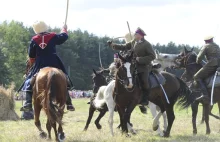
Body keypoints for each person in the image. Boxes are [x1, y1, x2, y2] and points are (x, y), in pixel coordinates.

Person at [20, 21, 75, 111]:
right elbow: (64, 37)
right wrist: (64, 29)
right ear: (46, 27)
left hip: (40, 63)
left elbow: (31, 55)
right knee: (64, 78)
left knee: (29, 81)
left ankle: (28, 103)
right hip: (54, 61)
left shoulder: (34, 39)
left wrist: (33, 59)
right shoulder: (53, 36)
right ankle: (69, 103)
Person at [108, 27, 156, 106]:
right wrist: (113, 45)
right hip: (133, 65)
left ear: (140, 35)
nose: (134, 35)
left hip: (144, 66)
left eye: (136, 34)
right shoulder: (134, 42)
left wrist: (140, 59)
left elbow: (152, 56)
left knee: (144, 81)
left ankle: (145, 99)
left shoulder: (147, 44)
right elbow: (124, 46)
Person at [194, 36, 220, 103]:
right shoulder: (217, 46)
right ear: (212, 40)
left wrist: (197, 61)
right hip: (218, 66)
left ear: (205, 41)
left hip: (211, 65)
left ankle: (204, 95)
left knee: (196, 77)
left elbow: (199, 58)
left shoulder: (205, 46)